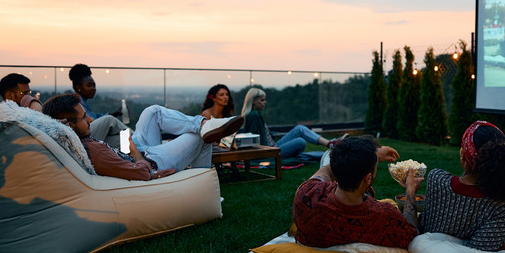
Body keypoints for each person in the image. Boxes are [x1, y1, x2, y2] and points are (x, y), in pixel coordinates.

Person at [43, 93, 244, 180]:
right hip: (152, 161)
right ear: (66, 124)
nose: (89, 120)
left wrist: (129, 146)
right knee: (200, 137)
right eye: (83, 117)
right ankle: (201, 188)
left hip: (138, 151)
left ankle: (204, 123)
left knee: (153, 111)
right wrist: (134, 151)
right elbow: (141, 174)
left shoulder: (79, 143)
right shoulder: (93, 150)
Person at [293, 136, 422, 248]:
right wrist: (410, 191)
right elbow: (411, 232)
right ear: (368, 178)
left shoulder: (305, 195)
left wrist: (369, 156)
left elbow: (326, 171)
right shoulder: (384, 217)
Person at [418, 121, 505, 251]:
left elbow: (418, 227)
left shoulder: (436, 178)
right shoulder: (504, 206)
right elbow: (478, 249)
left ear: (463, 155)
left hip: (424, 249)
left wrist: (411, 192)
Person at [240, 88, 343, 158]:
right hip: (269, 151)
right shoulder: (253, 116)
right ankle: (328, 149)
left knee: (300, 129)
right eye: (262, 100)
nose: (265, 102)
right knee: (300, 142)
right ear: (253, 101)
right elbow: (253, 140)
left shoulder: (255, 114)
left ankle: (330, 144)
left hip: (273, 146)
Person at [68, 63, 128, 149]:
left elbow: (95, 117)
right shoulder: (77, 102)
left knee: (120, 140)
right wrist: (110, 116)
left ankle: (139, 151)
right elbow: (93, 121)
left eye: (94, 85)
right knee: (109, 120)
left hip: (89, 137)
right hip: (82, 139)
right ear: (78, 87)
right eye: (89, 85)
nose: (93, 88)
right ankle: (141, 139)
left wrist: (113, 113)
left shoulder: (82, 101)